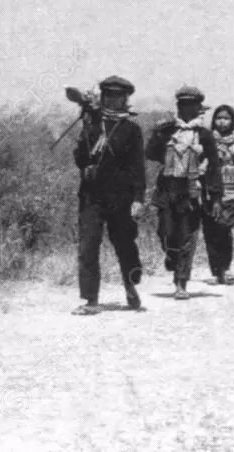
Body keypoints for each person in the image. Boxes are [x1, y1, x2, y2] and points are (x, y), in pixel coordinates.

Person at [70, 75, 147, 315]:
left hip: (122, 198)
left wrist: (138, 199)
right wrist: (89, 121)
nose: (113, 100)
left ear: (125, 99)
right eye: (108, 95)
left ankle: (131, 285)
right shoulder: (91, 122)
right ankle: (91, 300)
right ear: (102, 97)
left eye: (118, 96)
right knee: (88, 246)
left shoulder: (132, 129)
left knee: (125, 246)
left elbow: (138, 167)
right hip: (91, 196)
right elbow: (80, 158)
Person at [145, 86, 221, 300]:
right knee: (165, 232)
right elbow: (150, 154)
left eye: (192, 105)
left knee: (188, 237)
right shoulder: (168, 130)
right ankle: (171, 256)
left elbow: (214, 166)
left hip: (191, 191)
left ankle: (181, 283)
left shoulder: (205, 135)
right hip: (167, 189)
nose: (187, 109)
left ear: (199, 108)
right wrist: (157, 134)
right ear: (178, 107)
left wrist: (215, 197)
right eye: (183, 105)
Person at [200, 105, 234, 285]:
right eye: (219, 118)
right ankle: (215, 271)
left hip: (230, 194)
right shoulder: (205, 141)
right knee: (210, 232)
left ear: (233, 121)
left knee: (224, 229)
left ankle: (226, 268)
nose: (222, 121)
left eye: (226, 118)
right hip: (209, 194)